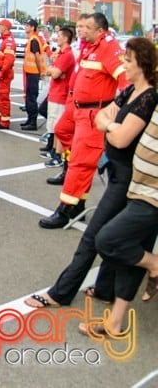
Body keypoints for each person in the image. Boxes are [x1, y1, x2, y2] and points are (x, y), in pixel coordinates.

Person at [25, 37, 156, 310]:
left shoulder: (148, 97)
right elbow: (102, 117)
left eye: (128, 61)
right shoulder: (130, 91)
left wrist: (109, 125)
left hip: (129, 178)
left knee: (94, 236)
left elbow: (120, 138)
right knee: (111, 233)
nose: (123, 64)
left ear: (141, 65)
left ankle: (60, 293)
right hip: (117, 173)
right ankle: (106, 289)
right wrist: (110, 124)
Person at [40, 13, 127, 229]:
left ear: (100, 30)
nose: (81, 30)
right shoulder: (89, 47)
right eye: (81, 26)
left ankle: (68, 208)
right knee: (61, 131)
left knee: (81, 161)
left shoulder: (108, 48)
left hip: (92, 114)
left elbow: (125, 80)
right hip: (75, 107)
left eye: (87, 27)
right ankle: (73, 180)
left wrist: (117, 109)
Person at [87, 89, 158, 339]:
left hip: (153, 194)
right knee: (135, 250)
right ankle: (115, 323)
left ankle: (155, 264)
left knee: (108, 240)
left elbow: (122, 138)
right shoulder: (152, 94)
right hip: (140, 185)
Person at [40, 26, 76, 168]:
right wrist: (52, 71)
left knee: (59, 127)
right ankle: (54, 151)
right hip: (55, 93)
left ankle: (59, 156)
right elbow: (51, 70)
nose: (57, 37)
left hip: (61, 95)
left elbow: (55, 73)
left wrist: (53, 71)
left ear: (66, 38)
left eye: (59, 36)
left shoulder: (67, 55)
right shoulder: (60, 53)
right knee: (53, 126)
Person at [20, 19, 47, 131]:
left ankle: (33, 122)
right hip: (30, 72)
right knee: (29, 97)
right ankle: (29, 119)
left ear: (33, 28)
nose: (26, 27)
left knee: (32, 98)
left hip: (33, 73)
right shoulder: (31, 39)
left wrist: (41, 71)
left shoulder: (34, 40)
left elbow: (36, 57)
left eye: (28, 25)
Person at [0, 19, 16, 130]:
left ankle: (4, 122)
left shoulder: (8, 41)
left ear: (5, 27)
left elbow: (9, 61)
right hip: (1, 72)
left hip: (4, 73)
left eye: (0, 26)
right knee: (0, 97)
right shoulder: (4, 40)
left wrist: (2, 72)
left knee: (3, 97)